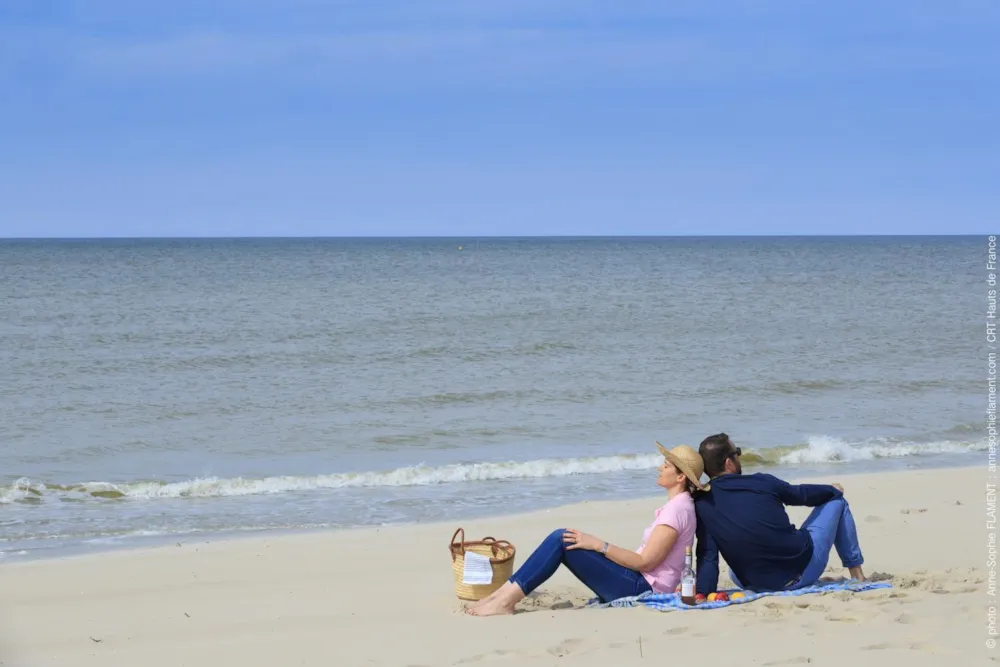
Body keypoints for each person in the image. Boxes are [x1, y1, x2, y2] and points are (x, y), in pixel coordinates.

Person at [466, 443, 706, 616]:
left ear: (680, 477)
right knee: (563, 537)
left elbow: (645, 562)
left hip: (642, 587)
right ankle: (498, 597)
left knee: (562, 539)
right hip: (639, 580)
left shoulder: (677, 510)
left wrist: (598, 545)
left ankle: (504, 600)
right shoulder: (679, 506)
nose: (659, 469)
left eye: (665, 466)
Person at [693, 433, 866, 597]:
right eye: (737, 452)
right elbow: (800, 494)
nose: (739, 456)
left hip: (749, 581)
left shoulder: (702, 502)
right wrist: (831, 490)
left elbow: (708, 554)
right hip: (800, 574)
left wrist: (704, 593)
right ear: (728, 463)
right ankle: (857, 574)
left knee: (736, 563)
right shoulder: (762, 482)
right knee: (837, 501)